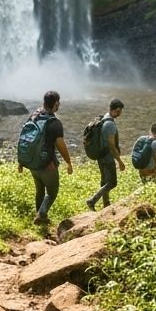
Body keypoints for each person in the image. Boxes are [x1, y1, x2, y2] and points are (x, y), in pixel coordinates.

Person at [19, 89, 73, 226]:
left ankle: (40, 217)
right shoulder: (54, 123)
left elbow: (23, 138)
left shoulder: (34, 115)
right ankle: (41, 214)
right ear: (55, 104)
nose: (59, 105)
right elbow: (61, 145)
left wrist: (21, 161)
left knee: (39, 191)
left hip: (32, 162)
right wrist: (68, 162)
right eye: (58, 103)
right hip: (46, 164)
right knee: (52, 192)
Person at [85, 98, 125, 210]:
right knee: (112, 182)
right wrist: (120, 161)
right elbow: (111, 145)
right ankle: (92, 200)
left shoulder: (103, 119)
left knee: (104, 181)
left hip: (100, 155)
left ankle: (106, 204)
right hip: (107, 157)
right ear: (112, 110)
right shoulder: (109, 124)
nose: (119, 114)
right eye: (118, 111)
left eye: (120, 111)